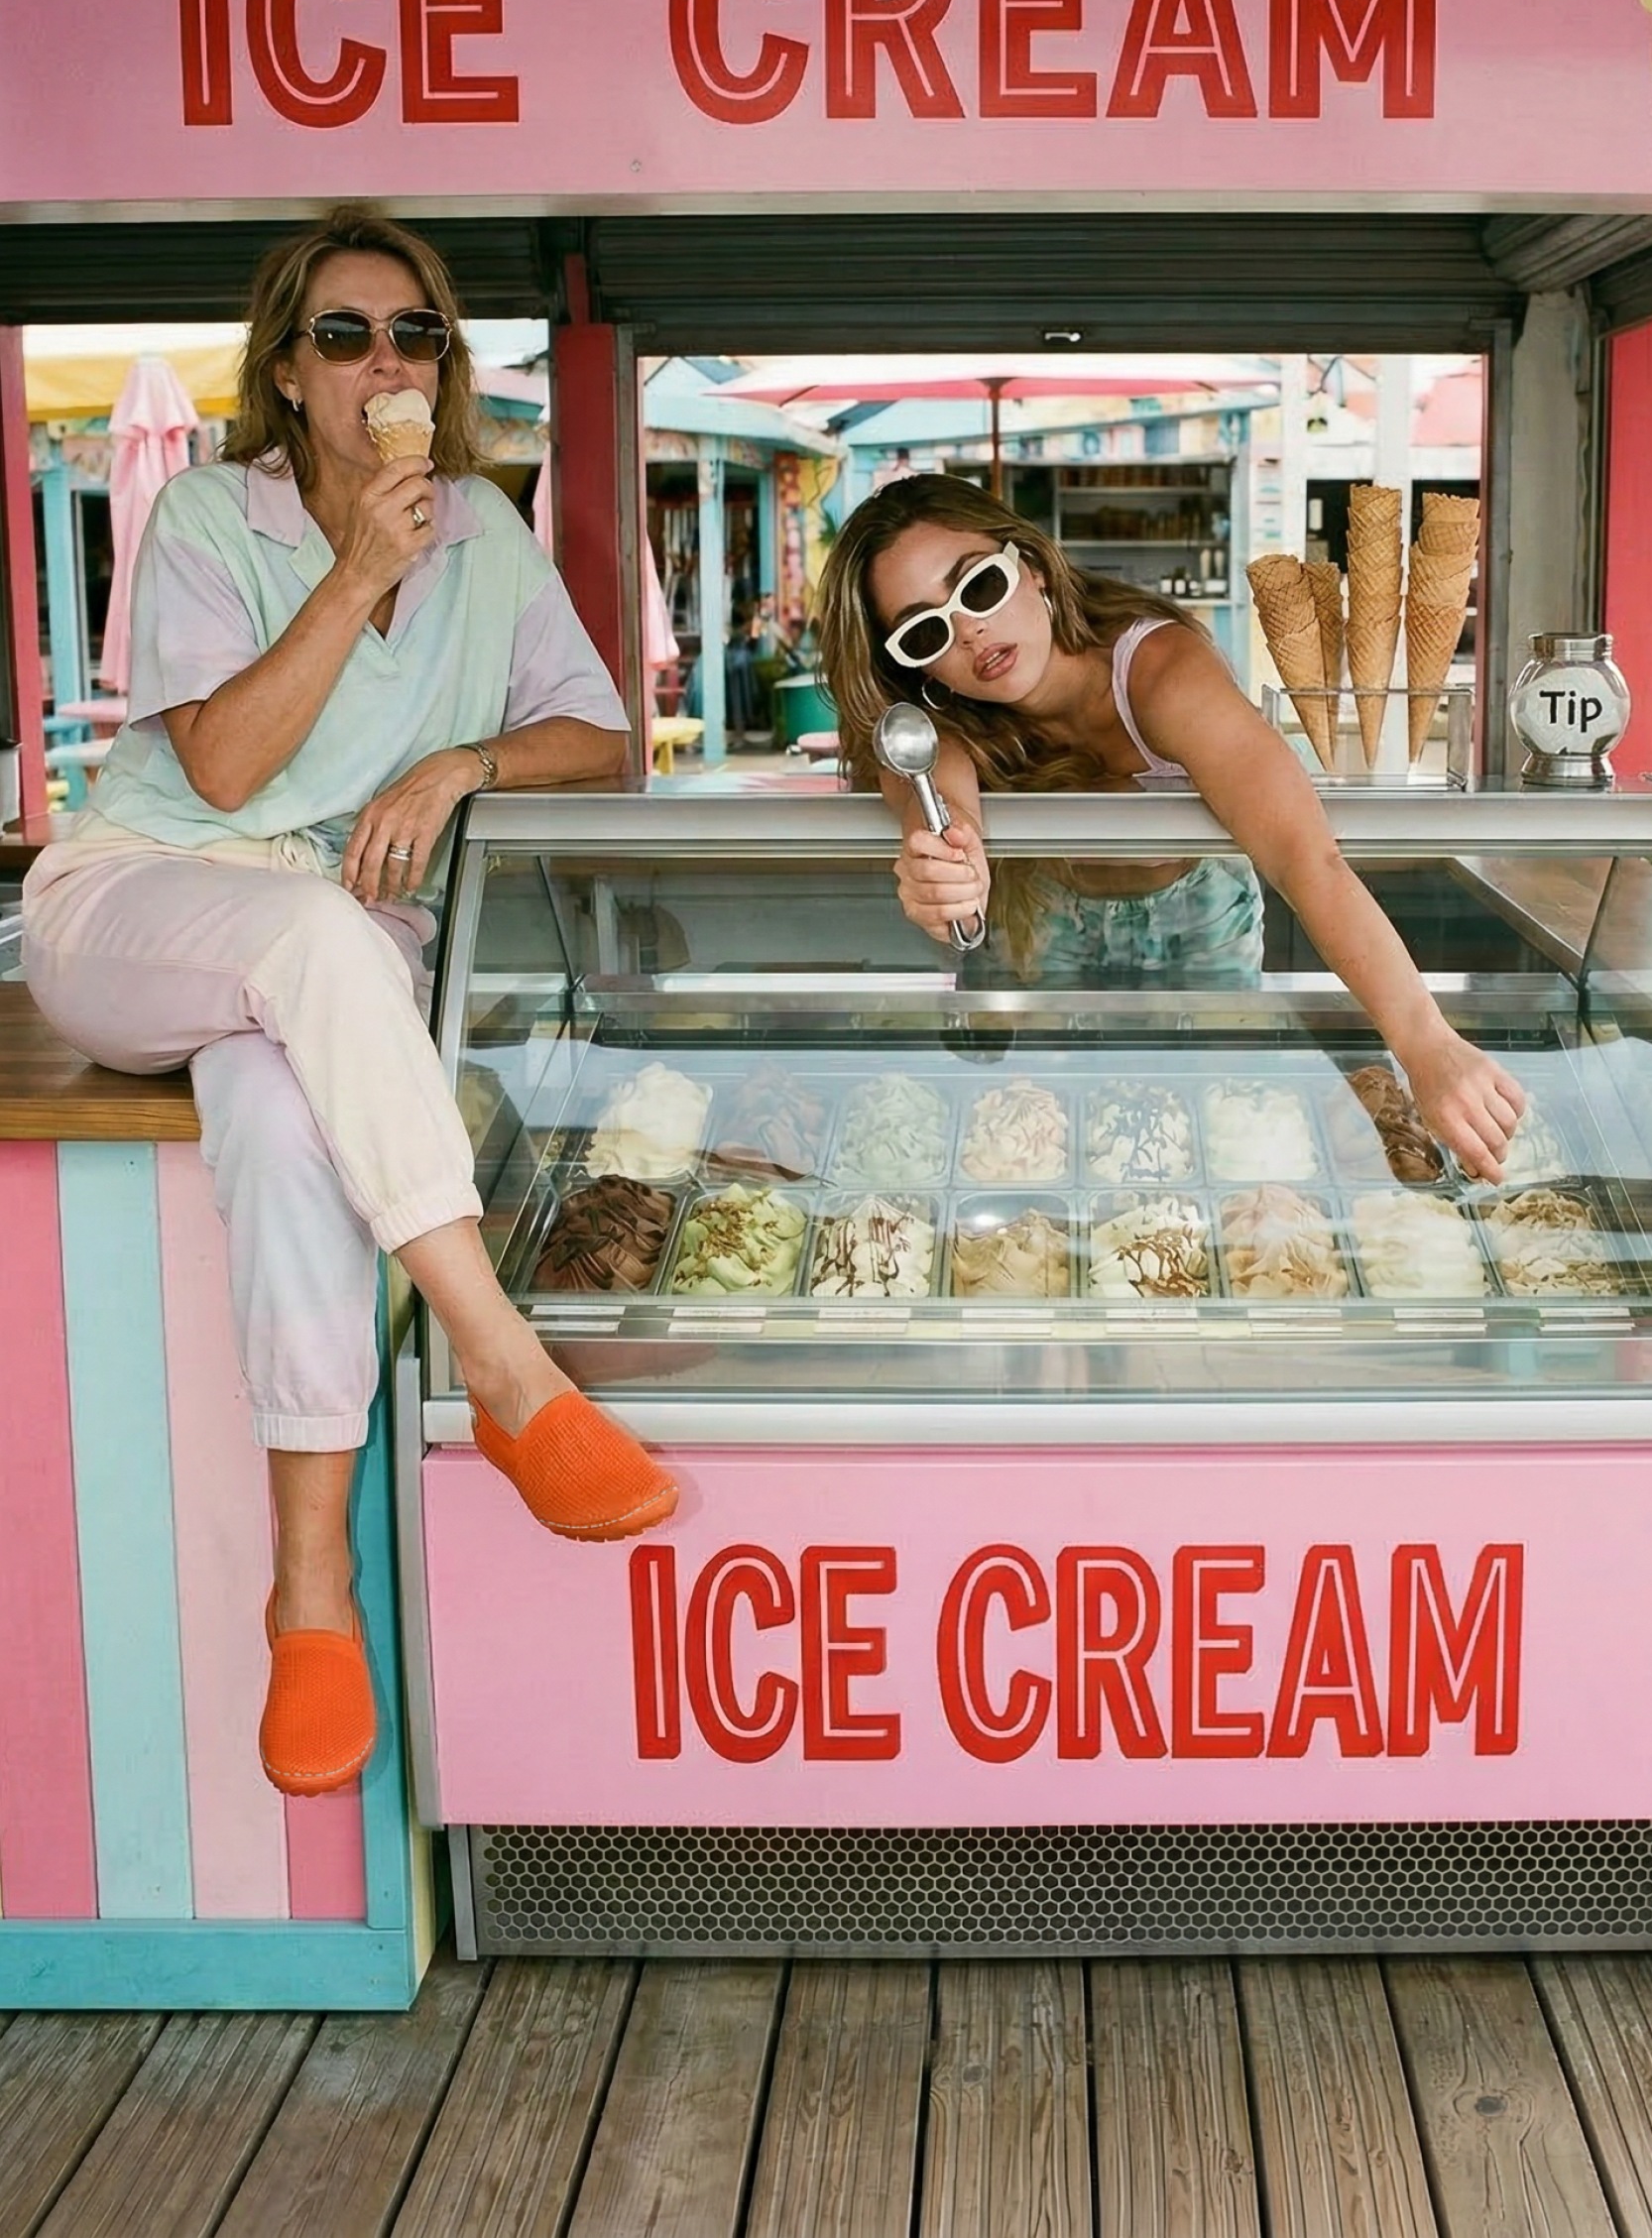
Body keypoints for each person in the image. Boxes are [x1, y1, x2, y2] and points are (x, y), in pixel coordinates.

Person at [21, 206, 677, 1800]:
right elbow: (230, 766)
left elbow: (602, 739)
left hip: (333, 936)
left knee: (273, 1104)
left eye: (416, 336)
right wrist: (355, 573)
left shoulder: (485, 533)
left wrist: (466, 760)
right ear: (289, 372)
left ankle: (307, 1597)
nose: (385, 362)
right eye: (346, 336)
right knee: (312, 936)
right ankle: (509, 1371)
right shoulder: (204, 516)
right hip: (144, 897)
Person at [816, 473, 1524, 1177]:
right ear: (913, 669)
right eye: (924, 630)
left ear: (1028, 568)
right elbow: (936, 791)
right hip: (1043, 928)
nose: (969, 630)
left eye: (978, 588)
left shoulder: (1159, 671)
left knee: (1212, 1137)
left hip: (1197, 922)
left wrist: (1425, 1042)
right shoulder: (943, 720)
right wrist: (946, 859)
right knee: (1045, 1142)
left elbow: (1307, 861)